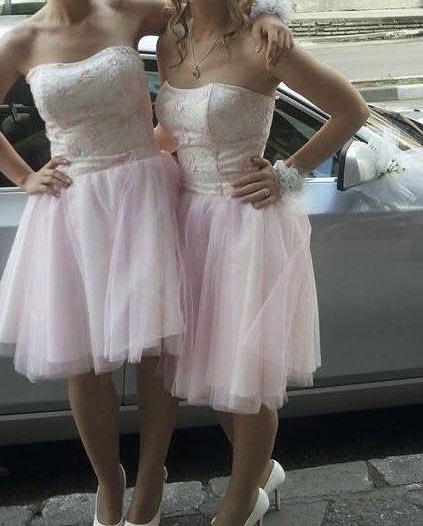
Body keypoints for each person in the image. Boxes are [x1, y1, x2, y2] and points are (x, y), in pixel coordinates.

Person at [0, 1, 294, 525]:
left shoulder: (132, 10)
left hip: (144, 199)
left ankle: (151, 477)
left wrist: (270, 15)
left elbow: (207, 16)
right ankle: (109, 481)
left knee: (156, 352)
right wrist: (25, 176)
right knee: (84, 362)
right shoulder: (21, 40)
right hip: (73, 210)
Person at [154, 1, 370, 525]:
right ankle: (262, 471)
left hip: (244, 225)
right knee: (212, 371)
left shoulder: (264, 42)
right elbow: (171, 132)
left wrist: (286, 173)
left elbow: (352, 110)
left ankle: (240, 502)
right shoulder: (170, 37)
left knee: (245, 377)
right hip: (188, 220)